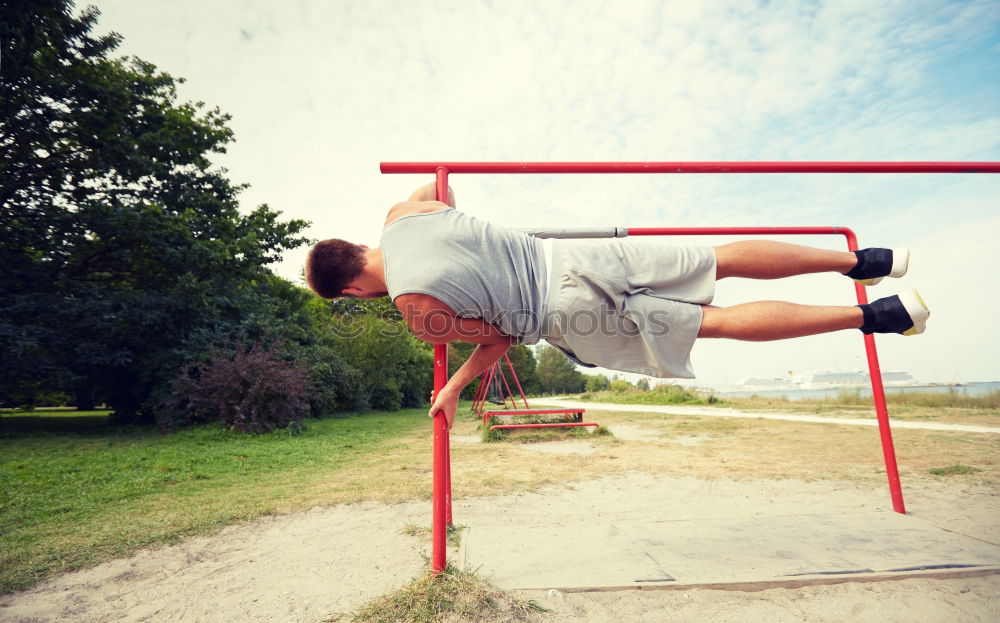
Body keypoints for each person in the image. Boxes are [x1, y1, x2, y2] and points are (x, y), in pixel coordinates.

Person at [305, 182, 929, 431]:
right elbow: (436, 188)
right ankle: (866, 261)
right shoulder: (402, 216)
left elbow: (496, 339)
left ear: (353, 291)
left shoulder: (415, 311)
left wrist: (455, 388)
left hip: (561, 313)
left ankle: (883, 316)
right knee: (718, 258)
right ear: (359, 245)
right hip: (574, 257)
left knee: (713, 325)